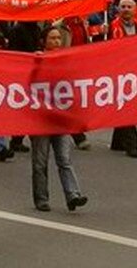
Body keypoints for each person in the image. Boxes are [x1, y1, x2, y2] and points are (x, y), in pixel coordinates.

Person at [30, 25, 88, 212]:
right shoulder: (37, 59)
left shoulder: (65, 59)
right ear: (44, 41)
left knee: (64, 159)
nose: (56, 41)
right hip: (41, 119)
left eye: (58, 38)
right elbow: (28, 84)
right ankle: (41, 199)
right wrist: (36, 62)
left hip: (60, 117)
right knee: (40, 162)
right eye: (52, 38)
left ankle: (73, 195)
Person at [109, 0, 137, 158]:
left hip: (133, 70)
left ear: (135, 10)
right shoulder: (110, 27)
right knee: (129, 107)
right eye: (123, 6)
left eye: (129, 6)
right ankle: (132, 145)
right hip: (117, 70)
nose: (126, 9)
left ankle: (117, 142)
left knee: (126, 105)